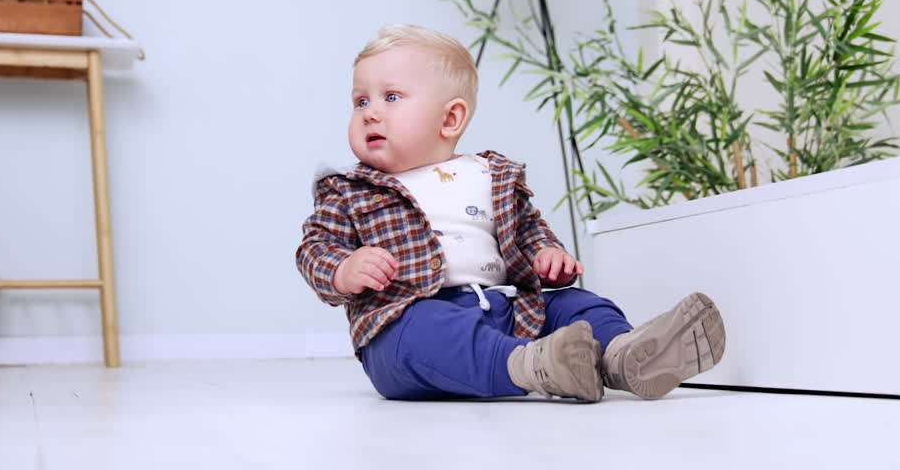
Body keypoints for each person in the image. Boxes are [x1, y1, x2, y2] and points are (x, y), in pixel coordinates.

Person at [296, 24, 725, 402]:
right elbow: (315, 248)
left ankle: (622, 355)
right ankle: (532, 366)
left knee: (578, 304)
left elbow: (528, 230)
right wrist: (343, 269)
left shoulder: (490, 175)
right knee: (421, 332)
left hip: (508, 308)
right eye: (360, 101)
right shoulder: (349, 188)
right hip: (409, 317)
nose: (370, 112)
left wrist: (547, 256)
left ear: (450, 119)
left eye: (391, 97)